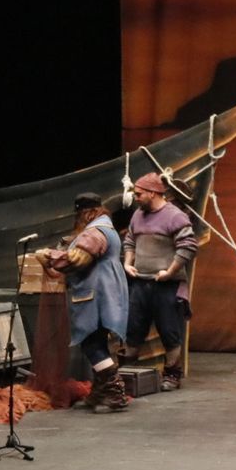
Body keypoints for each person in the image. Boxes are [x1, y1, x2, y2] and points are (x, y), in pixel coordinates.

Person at [36, 192, 133, 412]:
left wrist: (48, 255)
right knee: (96, 342)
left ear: (85, 213)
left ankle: (115, 392)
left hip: (97, 293)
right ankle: (100, 392)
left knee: (92, 342)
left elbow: (78, 258)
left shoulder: (95, 232)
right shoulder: (105, 227)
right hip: (106, 290)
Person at [121, 171, 199, 392]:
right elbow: (130, 240)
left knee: (170, 332)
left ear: (153, 193)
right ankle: (126, 373)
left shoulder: (175, 216)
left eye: (139, 194)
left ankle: (172, 375)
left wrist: (170, 271)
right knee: (133, 331)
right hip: (140, 284)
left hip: (166, 286)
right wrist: (128, 263)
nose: (135, 197)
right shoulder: (138, 214)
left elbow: (188, 247)